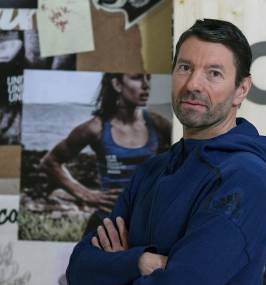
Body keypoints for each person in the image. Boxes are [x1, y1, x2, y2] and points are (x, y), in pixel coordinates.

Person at [65, 18, 266, 285]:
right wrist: (140, 262)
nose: (193, 84)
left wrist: (114, 276)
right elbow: (80, 271)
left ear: (241, 89)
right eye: (185, 67)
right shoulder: (152, 171)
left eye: (214, 73)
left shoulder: (244, 177)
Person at [40, 73, 171, 232]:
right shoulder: (96, 128)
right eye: (136, 77)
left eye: (148, 78)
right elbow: (50, 162)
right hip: (106, 225)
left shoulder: (158, 124)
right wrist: (86, 194)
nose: (146, 85)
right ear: (117, 84)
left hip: (147, 226)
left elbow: (190, 160)